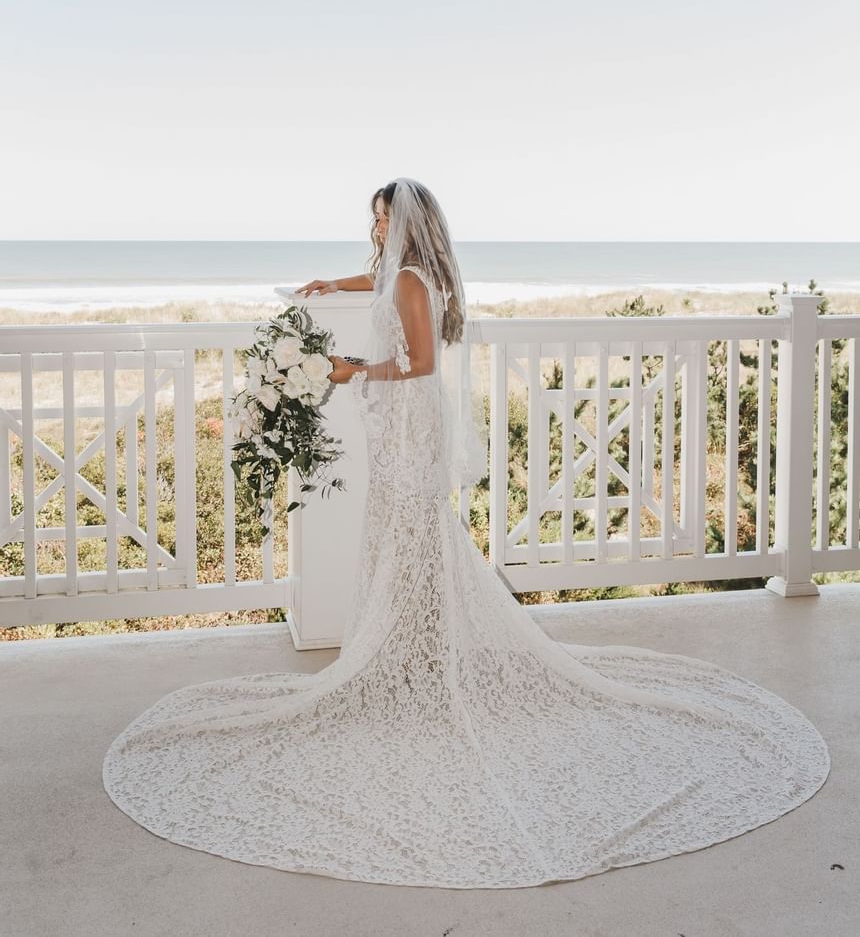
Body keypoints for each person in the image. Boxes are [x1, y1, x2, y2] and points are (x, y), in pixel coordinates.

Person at [102, 177, 830, 889]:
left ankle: (425, 653)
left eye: (385, 219)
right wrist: (334, 280)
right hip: (395, 427)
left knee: (418, 532)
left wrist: (350, 368)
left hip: (411, 423)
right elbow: (381, 279)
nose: (378, 229)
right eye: (375, 220)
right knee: (397, 534)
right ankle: (405, 646)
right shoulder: (400, 269)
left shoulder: (415, 281)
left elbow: (418, 364)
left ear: (409, 224)